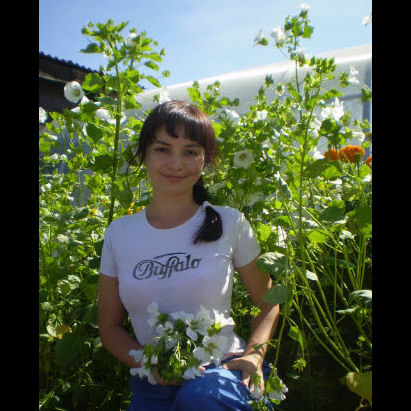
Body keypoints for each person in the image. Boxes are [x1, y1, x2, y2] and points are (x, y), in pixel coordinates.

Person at [98, 100, 280, 410]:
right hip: (154, 381)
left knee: (200, 399)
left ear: (205, 159)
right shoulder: (119, 233)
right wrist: (149, 363)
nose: (176, 164)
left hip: (221, 377)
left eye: (190, 152)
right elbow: (109, 327)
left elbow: (269, 301)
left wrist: (254, 356)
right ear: (143, 154)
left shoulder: (230, 222)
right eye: (162, 149)